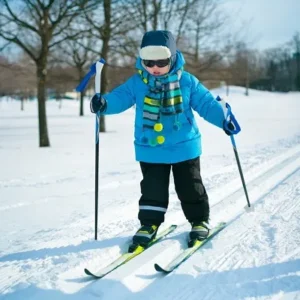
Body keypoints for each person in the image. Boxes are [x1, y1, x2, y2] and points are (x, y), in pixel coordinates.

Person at [90, 30, 239, 249]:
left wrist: (224, 119)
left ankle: (199, 220)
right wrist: (104, 103)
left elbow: (206, 104)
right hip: (151, 147)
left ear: (172, 57)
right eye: (149, 62)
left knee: (190, 186)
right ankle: (149, 224)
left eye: (161, 61)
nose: (155, 68)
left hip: (183, 145)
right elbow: (119, 98)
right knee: (152, 188)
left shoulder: (187, 81)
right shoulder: (137, 83)